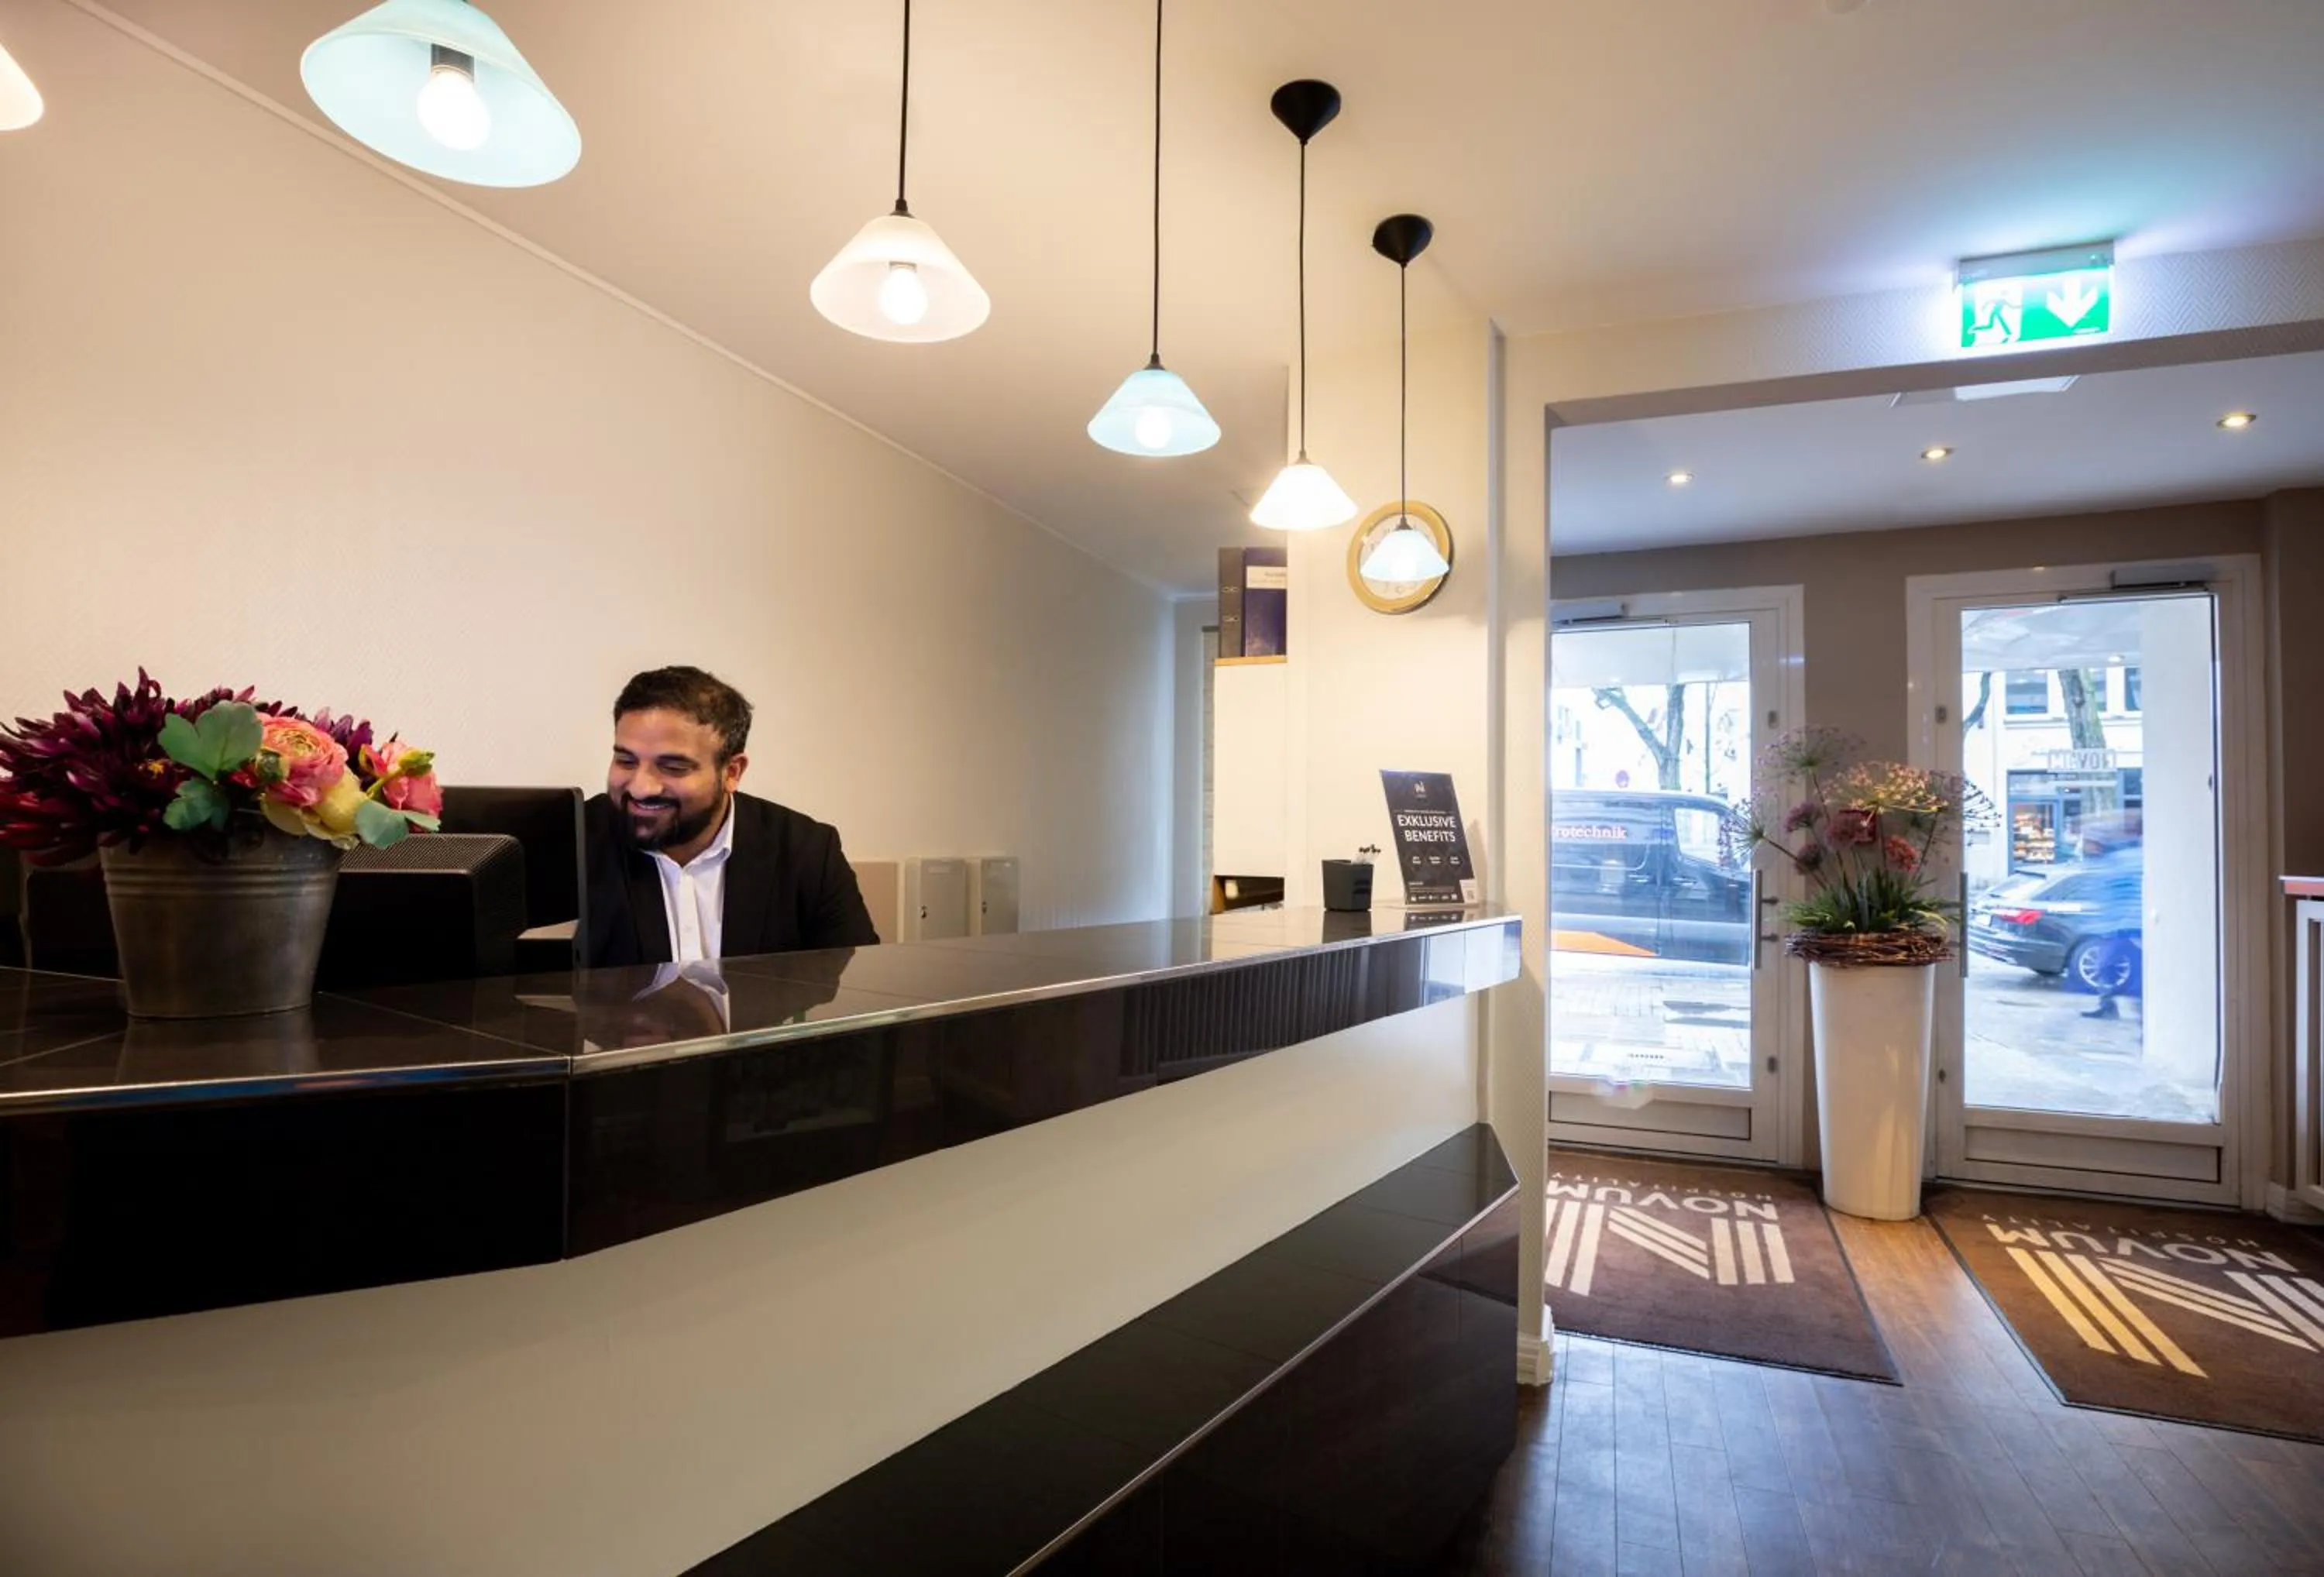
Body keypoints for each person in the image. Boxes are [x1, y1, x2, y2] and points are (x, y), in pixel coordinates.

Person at [583, 666, 878, 967]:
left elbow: (856, 989)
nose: (642, 788)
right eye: (625, 760)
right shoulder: (574, 839)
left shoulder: (807, 852)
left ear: (732, 772)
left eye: (673, 767)